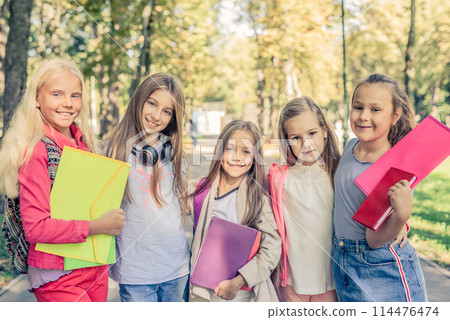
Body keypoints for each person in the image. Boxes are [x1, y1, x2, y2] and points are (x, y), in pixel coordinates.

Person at [0, 58, 125, 302]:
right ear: (37, 98)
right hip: (57, 273)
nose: (67, 103)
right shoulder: (37, 150)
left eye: (75, 96)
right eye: (57, 94)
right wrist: (98, 226)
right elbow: (36, 227)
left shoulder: (86, 143)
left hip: (93, 265)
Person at [332, 73, 427, 302]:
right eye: (358, 107)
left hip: (380, 267)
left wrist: (402, 217)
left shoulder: (392, 170)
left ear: (395, 115)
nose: (364, 116)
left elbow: (375, 239)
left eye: (375, 109)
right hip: (343, 259)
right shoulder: (350, 145)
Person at [104, 73, 190, 302]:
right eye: (152, 103)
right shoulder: (112, 151)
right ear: (139, 100)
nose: (156, 115)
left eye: (167, 111)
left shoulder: (173, 152)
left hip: (176, 267)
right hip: (135, 271)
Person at [189, 120, 281, 302]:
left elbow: (271, 249)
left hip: (240, 294)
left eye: (246, 151)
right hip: (203, 294)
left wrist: (238, 282)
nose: (237, 158)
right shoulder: (200, 190)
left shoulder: (257, 199)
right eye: (230, 149)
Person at [268, 97, 340, 302]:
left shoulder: (339, 174)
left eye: (312, 133)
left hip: (331, 282)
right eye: (295, 138)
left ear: (324, 130)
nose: (306, 143)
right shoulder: (278, 179)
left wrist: (400, 224)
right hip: (290, 283)